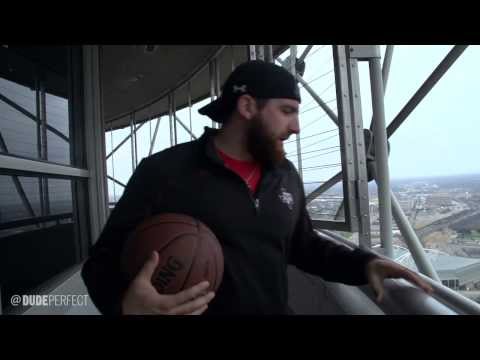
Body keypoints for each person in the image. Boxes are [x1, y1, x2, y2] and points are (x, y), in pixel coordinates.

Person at [81, 60, 433, 315]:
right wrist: (126, 305)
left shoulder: (285, 176)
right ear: (247, 106)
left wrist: (364, 264)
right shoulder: (164, 172)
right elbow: (100, 265)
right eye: (286, 111)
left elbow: (304, 247)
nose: (296, 127)